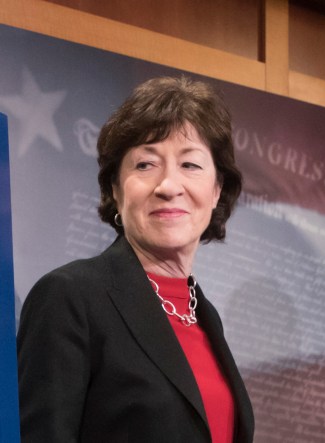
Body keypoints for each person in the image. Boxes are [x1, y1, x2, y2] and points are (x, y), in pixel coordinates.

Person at [17, 76, 255, 442]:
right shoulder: (70, 298)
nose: (168, 186)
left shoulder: (206, 317)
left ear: (216, 190)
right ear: (115, 188)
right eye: (145, 165)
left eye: (190, 165)